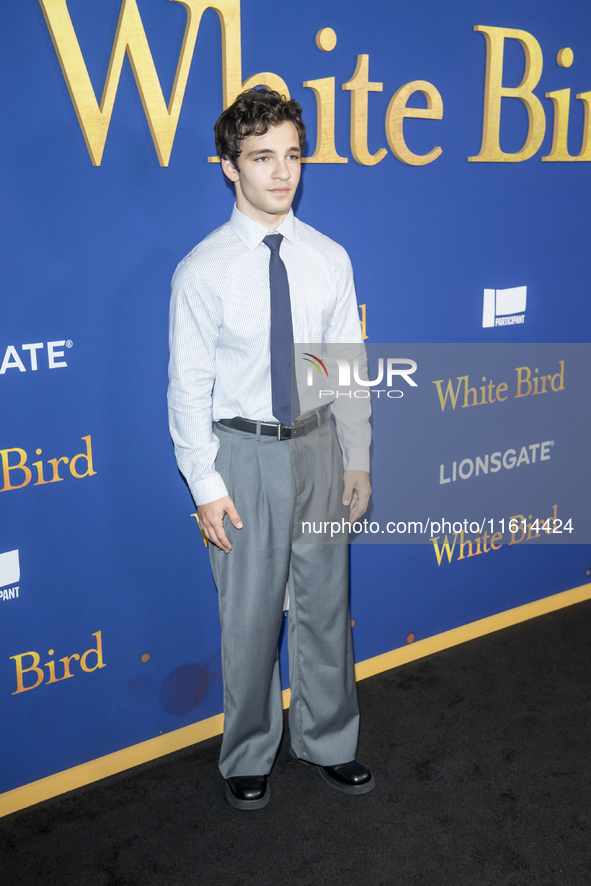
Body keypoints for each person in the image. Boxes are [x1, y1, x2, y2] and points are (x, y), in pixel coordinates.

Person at [168, 88, 373, 810]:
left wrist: (357, 458)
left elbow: (345, 366)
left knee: (323, 605)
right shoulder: (202, 270)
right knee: (250, 618)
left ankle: (329, 740)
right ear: (229, 167)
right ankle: (247, 752)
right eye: (262, 158)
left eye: (291, 156)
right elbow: (187, 391)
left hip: (317, 449)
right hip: (242, 459)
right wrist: (205, 486)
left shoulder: (328, 258)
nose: (281, 173)